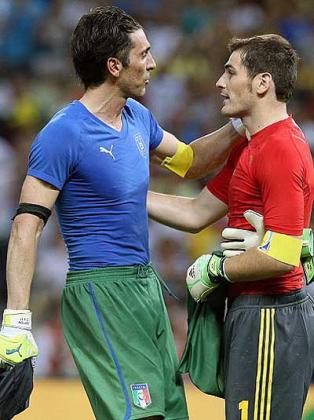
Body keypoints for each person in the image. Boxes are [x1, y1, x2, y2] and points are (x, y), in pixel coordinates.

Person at [0, 6, 243, 420]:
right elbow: (26, 226)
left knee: (170, 413)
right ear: (114, 66)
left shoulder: (137, 118)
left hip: (145, 286)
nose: (152, 62)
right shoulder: (64, 132)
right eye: (143, 53)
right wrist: (17, 319)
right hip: (100, 290)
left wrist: (242, 124)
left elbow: (191, 161)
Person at [148, 34, 314, 420]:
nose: (219, 83)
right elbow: (195, 212)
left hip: (273, 315)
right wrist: (125, 196)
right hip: (253, 310)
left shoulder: (281, 148)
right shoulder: (250, 145)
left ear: (262, 83)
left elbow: (282, 254)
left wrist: (215, 268)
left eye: (230, 71)